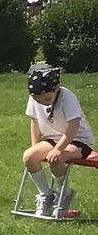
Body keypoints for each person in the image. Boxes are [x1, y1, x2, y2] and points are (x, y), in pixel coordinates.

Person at [25, 63, 94, 217]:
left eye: (47, 98)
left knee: (57, 158)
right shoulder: (35, 97)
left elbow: (74, 125)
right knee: (29, 156)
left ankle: (65, 194)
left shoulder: (67, 97)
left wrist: (58, 149)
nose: (42, 102)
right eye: (37, 99)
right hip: (53, 138)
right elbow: (34, 122)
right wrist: (35, 147)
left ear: (56, 89)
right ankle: (46, 195)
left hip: (78, 139)